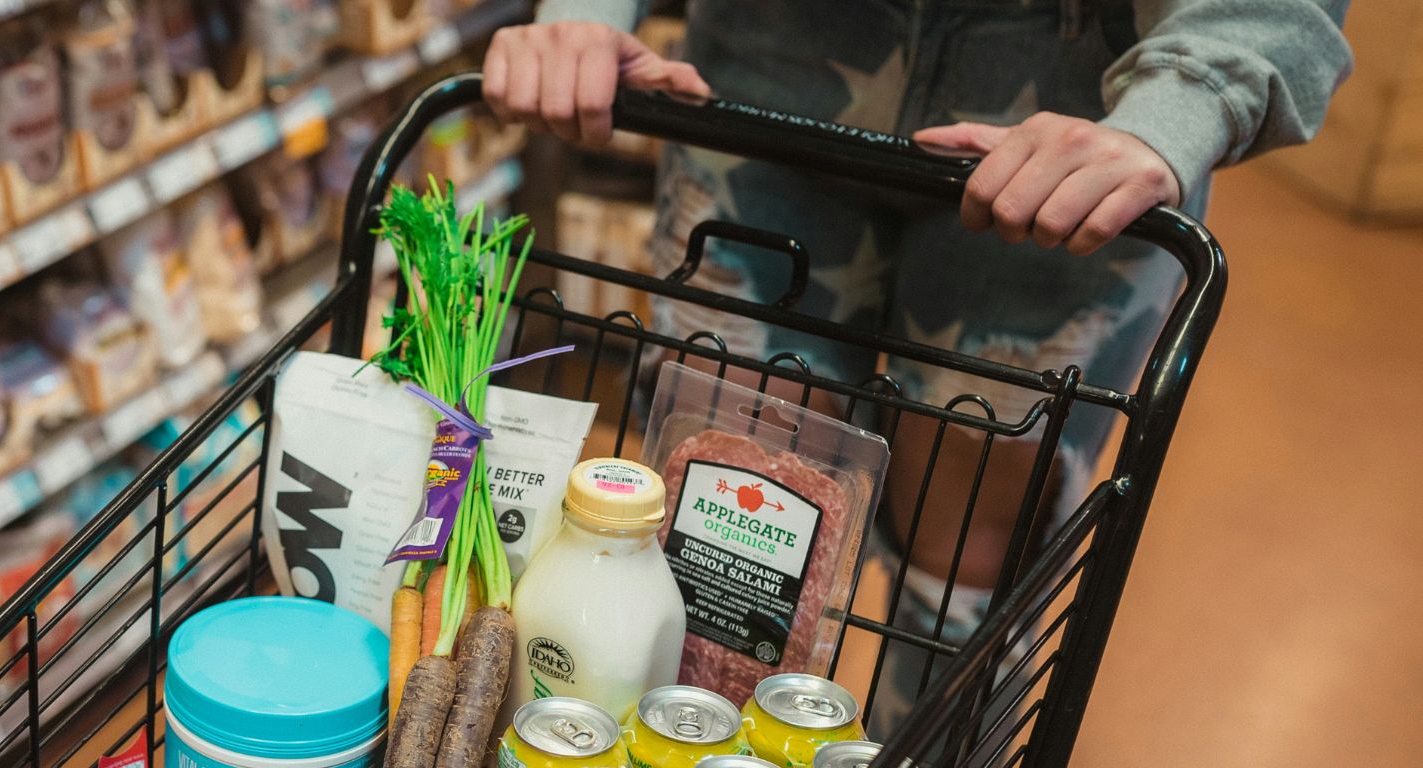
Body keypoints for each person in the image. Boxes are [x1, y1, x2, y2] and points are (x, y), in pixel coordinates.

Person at [485, 0, 1351, 725]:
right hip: (761, 68)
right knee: (722, 509)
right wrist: (581, 16)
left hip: (1079, 117)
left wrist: (1184, 103)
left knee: (974, 549)